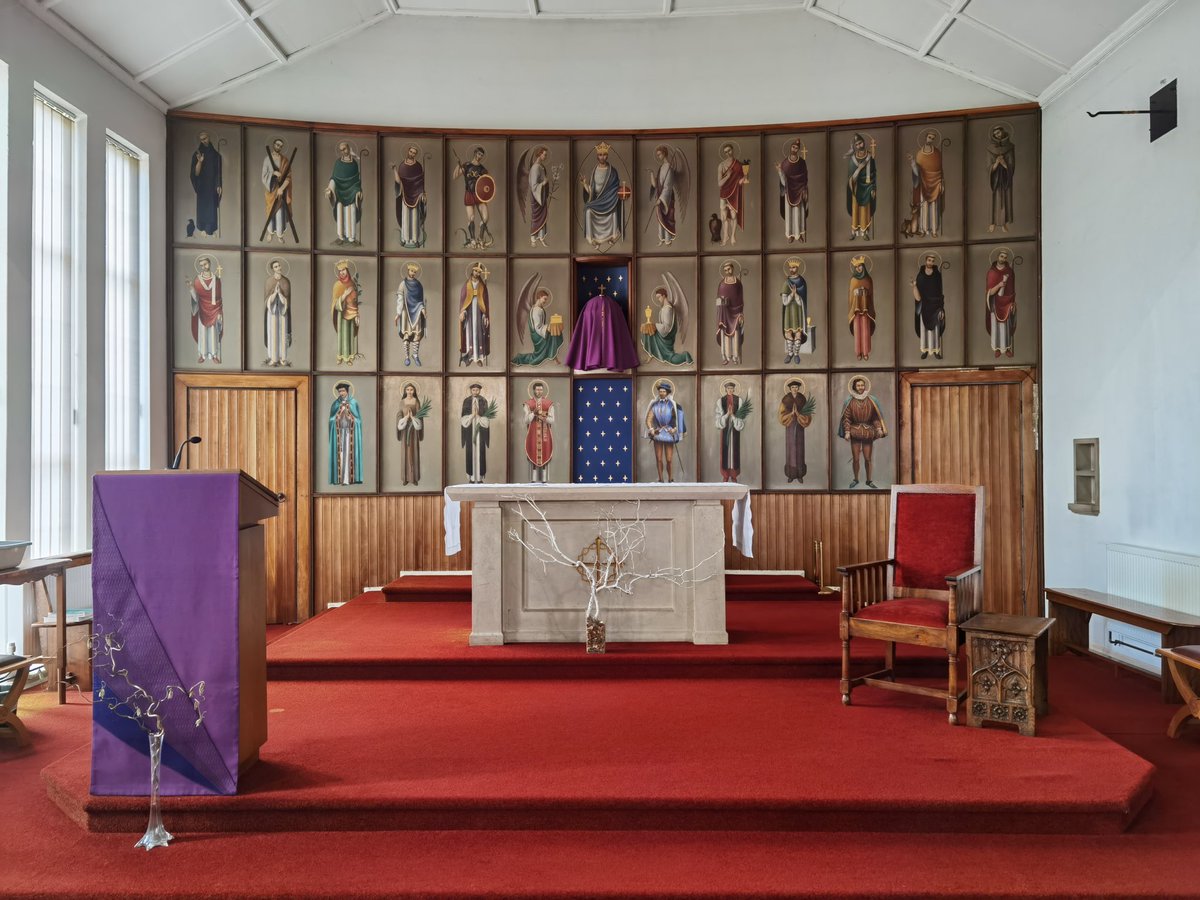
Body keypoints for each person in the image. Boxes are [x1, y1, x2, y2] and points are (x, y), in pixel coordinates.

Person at [564, 287, 640, 372]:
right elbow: (586, 328)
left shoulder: (611, 305)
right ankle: (593, 361)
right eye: (600, 314)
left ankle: (610, 361)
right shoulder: (594, 305)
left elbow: (619, 330)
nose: (602, 316)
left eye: (605, 314)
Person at [838, 375, 887, 489]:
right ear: (854, 387)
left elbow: (875, 417)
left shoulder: (871, 400)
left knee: (868, 458)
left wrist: (879, 428)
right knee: (855, 458)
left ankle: (869, 480)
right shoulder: (850, 401)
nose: (860, 387)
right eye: (858, 385)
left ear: (865, 386)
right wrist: (847, 431)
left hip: (867, 432)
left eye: (862, 385)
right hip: (854, 432)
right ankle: (856, 479)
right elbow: (847, 418)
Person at [580, 141, 626, 250]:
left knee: (613, 208)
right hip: (598, 201)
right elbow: (592, 190)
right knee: (588, 210)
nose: (602, 157)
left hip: (609, 201)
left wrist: (618, 193)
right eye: (600, 155)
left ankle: (611, 237)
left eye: (604, 154)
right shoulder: (594, 171)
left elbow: (615, 187)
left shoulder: (612, 171)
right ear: (597, 156)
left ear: (607, 156)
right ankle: (594, 240)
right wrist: (584, 183)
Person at [641, 283, 693, 366]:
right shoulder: (664, 307)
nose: (658, 299)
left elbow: (667, 328)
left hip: (666, 337)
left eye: (659, 297)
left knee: (671, 359)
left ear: (664, 295)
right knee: (647, 330)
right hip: (663, 334)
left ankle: (685, 356)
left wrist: (655, 325)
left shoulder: (668, 309)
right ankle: (651, 354)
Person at [451, 145, 492, 249]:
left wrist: (487, 192)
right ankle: (473, 239)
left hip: (480, 195)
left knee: (485, 217)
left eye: (482, 155)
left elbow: (489, 183)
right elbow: (455, 176)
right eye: (478, 154)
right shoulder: (467, 165)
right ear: (475, 153)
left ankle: (481, 238)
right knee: (471, 217)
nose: (480, 156)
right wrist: (458, 165)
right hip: (469, 193)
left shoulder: (482, 169)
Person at [645, 380, 686, 483]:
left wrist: (675, 429)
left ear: (667, 392)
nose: (661, 393)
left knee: (669, 459)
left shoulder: (673, 406)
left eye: (663, 391)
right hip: (658, 433)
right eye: (660, 391)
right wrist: (651, 429)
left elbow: (677, 419)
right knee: (659, 459)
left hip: (669, 433)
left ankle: (670, 478)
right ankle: (660, 479)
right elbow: (649, 419)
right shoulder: (654, 405)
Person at [511, 287, 564, 367]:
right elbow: (537, 327)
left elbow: (540, 325)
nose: (545, 301)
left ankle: (554, 358)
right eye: (544, 299)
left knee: (555, 334)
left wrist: (548, 327)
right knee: (554, 335)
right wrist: (548, 328)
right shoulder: (536, 310)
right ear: (539, 297)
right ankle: (520, 358)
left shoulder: (539, 308)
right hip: (538, 335)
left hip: (540, 332)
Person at [907, 130, 945, 238]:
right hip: (923, 182)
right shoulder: (919, 153)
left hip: (936, 182)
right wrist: (913, 162)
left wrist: (942, 183)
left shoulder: (937, 153)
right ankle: (923, 229)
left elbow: (940, 170)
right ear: (925, 138)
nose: (931, 140)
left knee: (934, 207)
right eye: (929, 137)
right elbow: (917, 170)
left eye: (933, 138)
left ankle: (933, 230)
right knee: (924, 207)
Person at [325, 140, 363, 246]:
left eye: (345, 149)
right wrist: (329, 188)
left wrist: (358, 190)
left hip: (352, 192)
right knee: (340, 213)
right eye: (341, 150)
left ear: (348, 148)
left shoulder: (354, 164)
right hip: (340, 192)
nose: (343, 152)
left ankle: (351, 237)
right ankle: (340, 236)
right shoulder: (338, 163)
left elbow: (356, 181)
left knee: (351, 213)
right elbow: (334, 178)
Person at [911, 254, 945, 360]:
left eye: (933, 261)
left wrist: (941, 308)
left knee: (935, 329)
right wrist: (914, 287)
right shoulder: (920, 276)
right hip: (924, 305)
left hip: (935, 305)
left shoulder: (937, 275)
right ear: (926, 261)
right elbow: (918, 296)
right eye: (929, 260)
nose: (931, 262)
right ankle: (925, 350)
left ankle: (935, 350)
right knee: (924, 329)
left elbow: (940, 292)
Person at [778, 379, 813, 484]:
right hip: (789, 426)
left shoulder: (802, 399)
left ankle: (799, 474)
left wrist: (798, 414)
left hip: (799, 427)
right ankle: (791, 475)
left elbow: (808, 415)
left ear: (799, 388)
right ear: (789, 389)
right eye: (793, 387)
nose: (795, 389)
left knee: (799, 450)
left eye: (796, 387)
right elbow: (781, 415)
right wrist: (790, 414)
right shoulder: (786, 399)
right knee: (791, 449)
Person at [328, 381, 363, 486]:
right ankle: (340, 479)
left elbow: (358, 420)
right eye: (339, 391)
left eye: (343, 390)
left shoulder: (354, 402)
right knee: (340, 455)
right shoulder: (335, 403)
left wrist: (350, 417)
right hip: (339, 433)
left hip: (350, 433)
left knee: (348, 454)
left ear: (347, 391)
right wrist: (338, 415)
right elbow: (331, 420)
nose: (341, 393)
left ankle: (348, 479)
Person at [190, 255, 223, 364]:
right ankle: (203, 355)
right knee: (203, 332)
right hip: (202, 309)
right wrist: (191, 289)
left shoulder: (216, 279)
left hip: (214, 309)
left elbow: (219, 297)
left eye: (205, 264)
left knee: (213, 333)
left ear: (209, 263)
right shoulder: (197, 280)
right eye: (201, 265)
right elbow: (196, 298)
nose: (204, 267)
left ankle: (214, 354)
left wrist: (219, 312)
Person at [392, 145, 427, 248]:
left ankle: (415, 239)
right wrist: (394, 170)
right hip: (405, 194)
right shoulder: (402, 166)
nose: (412, 154)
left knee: (415, 217)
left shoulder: (418, 166)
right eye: (411, 152)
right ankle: (405, 239)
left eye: (414, 153)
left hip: (416, 194)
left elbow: (421, 182)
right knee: (405, 217)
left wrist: (423, 193)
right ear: (408, 151)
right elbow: (399, 181)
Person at [188, 131, 222, 237]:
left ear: (209, 137)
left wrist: (219, 184)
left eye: (205, 138)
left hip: (212, 185)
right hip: (202, 186)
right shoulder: (197, 154)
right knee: (203, 207)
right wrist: (200, 162)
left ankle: (210, 229)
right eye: (201, 139)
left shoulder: (216, 155)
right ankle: (202, 228)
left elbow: (218, 172)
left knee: (211, 208)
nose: (203, 141)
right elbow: (195, 173)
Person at [261, 138, 294, 243]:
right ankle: (270, 232)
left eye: (280, 146)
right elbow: (264, 176)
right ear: (273, 145)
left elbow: (288, 177)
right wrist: (273, 173)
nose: (278, 147)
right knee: (271, 211)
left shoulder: (285, 160)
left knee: (280, 213)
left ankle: (280, 234)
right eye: (277, 145)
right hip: (271, 189)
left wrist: (281, 188)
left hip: (281, 190)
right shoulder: (267, 159)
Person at [519, 145, 552, 247]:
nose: (545, 157)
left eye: (546, 155)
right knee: (536, 217)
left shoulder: (541, 167)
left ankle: (541, 237)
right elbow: (534, 186)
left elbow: (543, 180)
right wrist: (543, 183)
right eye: (544, 154)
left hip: (541, 195)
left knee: (542, 217)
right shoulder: (535, 168)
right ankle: (533, 238)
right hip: (536, 196)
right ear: (539, 154)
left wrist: (546, 183)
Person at [458, 261, 490, 367]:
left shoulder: (482, 286)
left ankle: (479, 357)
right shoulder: (467, 285)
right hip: (469, 314)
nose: (477, 273)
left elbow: (485, 302)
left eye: (479, 272)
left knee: (479, 334)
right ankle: (470, 356)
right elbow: (464, 300)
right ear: (472, 270)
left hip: (479, 313)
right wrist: (463, 312)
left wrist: (486, 316)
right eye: (476, 271)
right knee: (470, 334)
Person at [714, 381, 747, 483]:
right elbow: (718, 418)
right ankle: (725, 475)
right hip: (725, 428)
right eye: (728, 389)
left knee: (734, 451)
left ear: (734, 389)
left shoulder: (739, 400)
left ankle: (734, 475)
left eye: (732, 388)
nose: (730, 390)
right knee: (725, 451)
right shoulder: (721, 401)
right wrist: (727, 414)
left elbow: (742, 417)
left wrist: (733, 416)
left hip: (734, 428)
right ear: (725, 389)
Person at [845, 133, 877, 241]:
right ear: (855, 146)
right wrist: (856, 173)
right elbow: (850, 175)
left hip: (867, 187)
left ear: (864, 142)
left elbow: (873, 173)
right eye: (857, 144)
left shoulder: (870, 157)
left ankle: (864, 232)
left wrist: (873, 188)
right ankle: (854, 232)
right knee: (855, 209)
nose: (859, 145)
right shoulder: (853, 159)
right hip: (856, 187)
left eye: (860, 143)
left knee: (865, 210)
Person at [986, 248, 1016, 358]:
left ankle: (1007, 347)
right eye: (1001, 256)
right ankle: (997, 348)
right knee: (996, 326)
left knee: (1006, 326)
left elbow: (1012, 289)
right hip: (995, 303)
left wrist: (1012, 302)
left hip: (1006, 302)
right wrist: (999, 285)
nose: (1003, 259)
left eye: (1005, 257)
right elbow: (989, 292)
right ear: (997, 257)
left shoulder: (1010, 272)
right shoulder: (991, 272)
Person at [394, 262, 426, 367]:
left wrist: (422, 308)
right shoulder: (403, 284)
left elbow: (420, 300)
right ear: (408, 271)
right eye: (411, 271)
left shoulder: (418, 285)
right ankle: (407, 357)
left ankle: (415, 355)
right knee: (406, 334)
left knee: (417, 334)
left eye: (414, 272)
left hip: (417, 311)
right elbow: (400, 298)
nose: (413, 273)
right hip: (406, 312)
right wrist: (398, 313)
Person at [330, 260, 362, 365]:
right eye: (340, 271)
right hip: (341, 315)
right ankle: (340, 357)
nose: (342, 273)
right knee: (342, 336)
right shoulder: (337, 285)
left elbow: (355, 301)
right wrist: (344, 295)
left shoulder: (352, 283)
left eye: (343, 270)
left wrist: (357, 315)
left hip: (351, 313)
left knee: (349, 335)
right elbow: (335, 303)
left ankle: (349, 358)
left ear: (347, 270)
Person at [647, 144, 680, 247]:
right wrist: (652, 173)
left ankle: (668, 240)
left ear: (664, 154)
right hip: (661, 196)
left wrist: (661, 199)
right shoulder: (661, 168)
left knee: (667, 218)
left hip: (667, 198)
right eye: (657, 155)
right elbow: (655, 185)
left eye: (659, 154)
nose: (658, 156)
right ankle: (662, 238)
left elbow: (668, 187)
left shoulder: (669, 168)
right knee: (661, 218)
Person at [777, 138, 809, 243]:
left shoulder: (802, 162)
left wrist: (804, 189)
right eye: (793, 147)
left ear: (798, 149)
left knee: (798, 213)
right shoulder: (785, 163)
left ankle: (799, 235)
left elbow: (805, 177)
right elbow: (783, 181)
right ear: (790, 148)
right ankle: (790, 235)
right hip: (789, 191)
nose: (794, 149)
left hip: (799, 190)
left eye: (796, 148)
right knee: (789, 214)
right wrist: (780, 172)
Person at [523, 380, 555, 484]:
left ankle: (544, 480)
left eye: (541, 389)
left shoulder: (549, 403)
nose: (539, 391)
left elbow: (552, 420)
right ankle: (533, 479)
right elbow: (526, 420)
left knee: (545, 453)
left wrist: (543, 417)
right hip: (532, 434)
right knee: (532, 454)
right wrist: (533, 413)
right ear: (533, 390)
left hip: (545, 434)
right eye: (537, 389)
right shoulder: (528, 404)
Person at [717, 142, 748, 246]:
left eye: (729, 151)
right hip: (724, 193)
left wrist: (745, 177)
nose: (728, 153)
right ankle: (726, 235)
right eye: (726, 152)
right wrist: (728, 176)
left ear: (733, 150)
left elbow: (740, 181)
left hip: (734, 193)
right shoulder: (721, 165)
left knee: (734, 216)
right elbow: (719, 183)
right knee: (724, 217)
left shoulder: (739, 165)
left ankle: (733, 236)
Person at [715, 260, 745, 365]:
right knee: (726, 336)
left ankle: (735, 357)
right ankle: (727, 357)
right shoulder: (722, 284)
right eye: (725, 270)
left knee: (736, 335)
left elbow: (740, 299)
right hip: (725, 313)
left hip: (736, 312)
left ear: (732, 268)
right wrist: (721, 302)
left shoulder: (738, 283)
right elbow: (718, 299)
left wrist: (741, 314)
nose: (727, 271)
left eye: (729, 269)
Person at [263, 258, 292, 367]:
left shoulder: (286, 281)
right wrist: (274, 294)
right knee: (273, 334)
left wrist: (280, 295)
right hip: (272, 312)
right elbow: (266, 299)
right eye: (276, 267)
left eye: (279, 266)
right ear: (272, 269)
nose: (278, 268)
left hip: (282, 312)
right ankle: (273, 358)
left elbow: (288, 299)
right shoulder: (269, 281)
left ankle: (283, 358)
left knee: (282, 333)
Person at [460, 382, 491, 483]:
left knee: (480, 453)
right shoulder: (467, 401)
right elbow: (463, 418)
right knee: (470, 453)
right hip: (470, 431)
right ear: (471, 390)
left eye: (477, 390)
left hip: (480, 432)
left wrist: (478, 416)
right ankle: (472, 478)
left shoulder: (483, 401)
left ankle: (480, 478)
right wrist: (472, 416)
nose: (475, 392)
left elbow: (487, 418)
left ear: (480, 390)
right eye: (473, 390)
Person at [987, 125, 1015, 233]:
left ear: (1003, 132)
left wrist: (1004, 164)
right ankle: (992, 223)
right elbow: (987, 165)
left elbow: (1012, 164)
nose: (997, 135)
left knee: (1005, 199)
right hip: (994, 178)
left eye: (998, 133)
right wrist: (995, 164)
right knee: (993, 200)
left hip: (1005, 177)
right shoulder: (990, 148)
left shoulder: (1010, 147)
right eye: (995, 134)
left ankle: (1003, 223)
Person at [780, 257, 808, 363]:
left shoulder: (802, 282)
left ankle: (796, 354)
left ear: (798, 268)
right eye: (790, 268)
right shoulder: (786, 283)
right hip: (788, 312)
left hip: (798, 311)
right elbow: (785, 302)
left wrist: (796, 294)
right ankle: (790, 353)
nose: (792, 269)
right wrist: (792, 294)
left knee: (798, 333)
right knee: (788, 333)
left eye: (794, 267)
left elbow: (802, 302)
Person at [847, 255, 875, 361]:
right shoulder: (853, 280)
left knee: (865, 330)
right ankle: (858, 352)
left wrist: (865, 292)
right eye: (857, 267)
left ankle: (866, 352)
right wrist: (855, 292)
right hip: (856, 309)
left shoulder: (868, 279)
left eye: (860, 266)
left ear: (864, 267)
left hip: (866, 309)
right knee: (857, 330)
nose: (859, 268)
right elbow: (850, 296)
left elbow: (871, 294)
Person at [396, 382, 423, 486]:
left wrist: (412, 418)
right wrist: (405, 418)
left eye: (411, 390)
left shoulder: (416, 401)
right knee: (405, 453)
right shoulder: (402, 402)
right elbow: (399, 414)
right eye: (408, 390)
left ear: (414, 391)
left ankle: (414, 478)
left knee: (414, 452)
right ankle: (405, 478)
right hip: (404, 430)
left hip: (414, 430)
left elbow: (420, 415)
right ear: (405, 391)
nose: (410, 392)